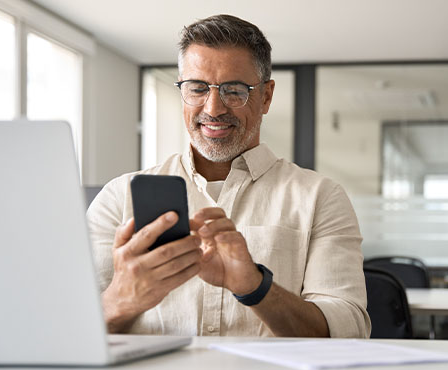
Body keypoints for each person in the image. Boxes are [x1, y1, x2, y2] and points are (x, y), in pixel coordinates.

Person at [87, 14, 370, 338]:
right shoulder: (118, 197)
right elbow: (67, 331)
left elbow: (349, 331)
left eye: (234, 90)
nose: (213, 107)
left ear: (265, 96)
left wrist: (254, 286)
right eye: (197, 88)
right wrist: (125, 297)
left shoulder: (320, 197)